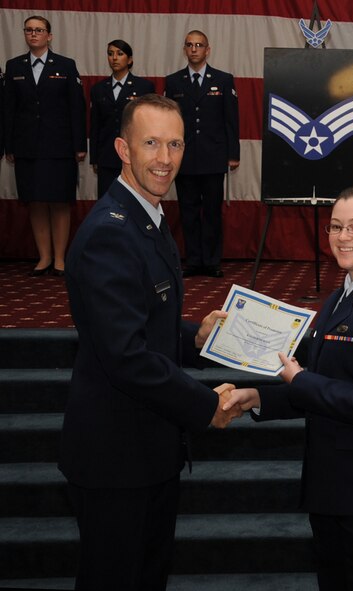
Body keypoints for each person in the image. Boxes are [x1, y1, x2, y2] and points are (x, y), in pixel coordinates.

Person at [59, 94, 243, 590]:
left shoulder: (147, 217)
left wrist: (195, 336)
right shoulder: (111, 233)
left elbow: (145, 324)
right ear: (123, 148)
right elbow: (126, 356)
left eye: (175, 144)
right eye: (151, 144)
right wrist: (206, 405)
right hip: (116, 459)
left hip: (147, 450)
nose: (165, 158)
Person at [224, 186, 353, 591]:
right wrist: (259, 398)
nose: (343, 237)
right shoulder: (342, 295)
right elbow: (326, 382)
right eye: (336, 227)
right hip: (337, 490)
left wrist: (301, 380)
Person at [3, 15, 86, 277]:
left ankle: (60, 259)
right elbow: (8, 109)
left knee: (59, 201)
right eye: (29, 30)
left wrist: (79, 145)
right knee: (35, 201)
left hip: (60, 147)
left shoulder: (65, 65)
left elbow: (76, 108)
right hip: (26, 146)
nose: (33, 34)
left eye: (39, 30)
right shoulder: (14, 66)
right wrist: (8, 145)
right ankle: (44, 257)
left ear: (49, 36)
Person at [165, 29, 239, 278]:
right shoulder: (173, 81)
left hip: (213, 156)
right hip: (184, 157)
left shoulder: (223, 79)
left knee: (212, 213)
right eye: (189, 45)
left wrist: (233, 154)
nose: (194, 49)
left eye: (199, 45)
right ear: (184, 49)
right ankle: (194, 261)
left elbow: (231, 120)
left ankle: (212, 261)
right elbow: (169, 122)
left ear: (208, 50)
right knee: (188, 212)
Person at [89, 39, 155, 198]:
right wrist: (95, 158)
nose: (114, 58)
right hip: (107, 155)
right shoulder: (99, 89)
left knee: (135, 200)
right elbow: (95, 125)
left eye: (120, 54)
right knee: (108, 202)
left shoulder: (144, 87)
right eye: (110, 54)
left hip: (135, 155)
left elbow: (150, 125)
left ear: (130, 59)